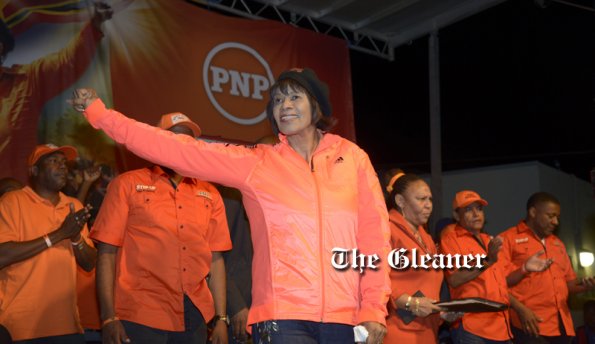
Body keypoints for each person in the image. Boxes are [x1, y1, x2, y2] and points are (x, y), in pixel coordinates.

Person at [70, 67, 392, 344]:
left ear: (316, 105)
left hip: (347, 316)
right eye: (278, 100)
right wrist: (102, 116)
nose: (285, 106)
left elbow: (373, 238)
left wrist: (374, 308)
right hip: (283, 318)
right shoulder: (258, 163)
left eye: (295, 97)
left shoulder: (352, 159)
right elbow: (174, 149)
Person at [91, 112, 231, 344]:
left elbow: (216, 259)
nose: (182, 145)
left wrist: (221, 318)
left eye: (188, 140)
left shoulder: (210, 193)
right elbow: (106, 253)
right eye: (173, 138)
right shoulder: (127, 184)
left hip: (195, 313)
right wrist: (108, 318)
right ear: (155, 143)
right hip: (140, 310)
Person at [0, 2, 112, 182]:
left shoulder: (27, 80)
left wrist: (94, 26)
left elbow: (67, 63)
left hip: (18, 196)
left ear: (2, 47)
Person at [0, 143, 96, 342]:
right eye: (53, 161)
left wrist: (76, 236)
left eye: (63, 162)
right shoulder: (12, 201)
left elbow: (89, 263)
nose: (62, 166)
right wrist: (59, 234)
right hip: (21, 326)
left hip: (68, 326)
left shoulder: (73, 205)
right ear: (34, 170)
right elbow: (3, 255)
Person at [441, 190, 555, 344]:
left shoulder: (490, 240)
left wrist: (524, 268)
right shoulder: (451, 239)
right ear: (456, 216)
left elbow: (503, 284)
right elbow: (454, 279)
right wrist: (487, 260)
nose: (476, 214)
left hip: (501, 329)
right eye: (468, 210)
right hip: (472, 328)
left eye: (479, 209)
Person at [499, 192, 595, 344]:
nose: (556, 222)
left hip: (561, 324)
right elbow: (498, 285)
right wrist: (521, 310)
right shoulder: (508, 239)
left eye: (557, 217)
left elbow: (569, 284)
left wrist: (587, 284)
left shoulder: (557, 244)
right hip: (530, 324)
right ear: (533, 212)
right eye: (551, 216)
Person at [383, 171, 444, 343]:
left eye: (430, 199)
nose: (428, 205)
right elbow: (375, 280)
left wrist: (442, 312)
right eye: (421, 199)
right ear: (400, 201)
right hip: (399, 331)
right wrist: (410, 303)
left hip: (427, 331)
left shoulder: (425, 237)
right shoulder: (386, 230)